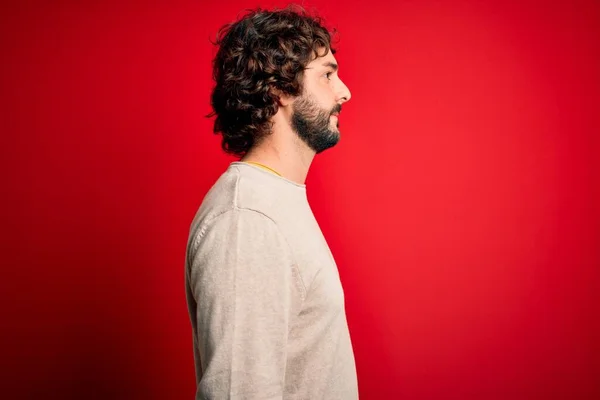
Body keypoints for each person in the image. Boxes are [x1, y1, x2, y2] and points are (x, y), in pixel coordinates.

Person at [185, 5, 357, 399]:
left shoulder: (274, 201)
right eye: (327, 75)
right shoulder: (247, 222)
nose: (344, 91)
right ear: (280, 88)